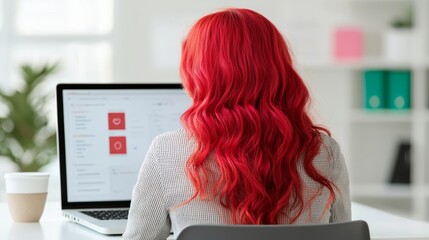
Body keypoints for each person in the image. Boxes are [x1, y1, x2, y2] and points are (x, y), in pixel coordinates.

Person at [122, 8, 351, 240]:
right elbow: (343, 233)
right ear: (279, 68)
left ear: (199, 74)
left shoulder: (167, 151)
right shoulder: (324, 152)